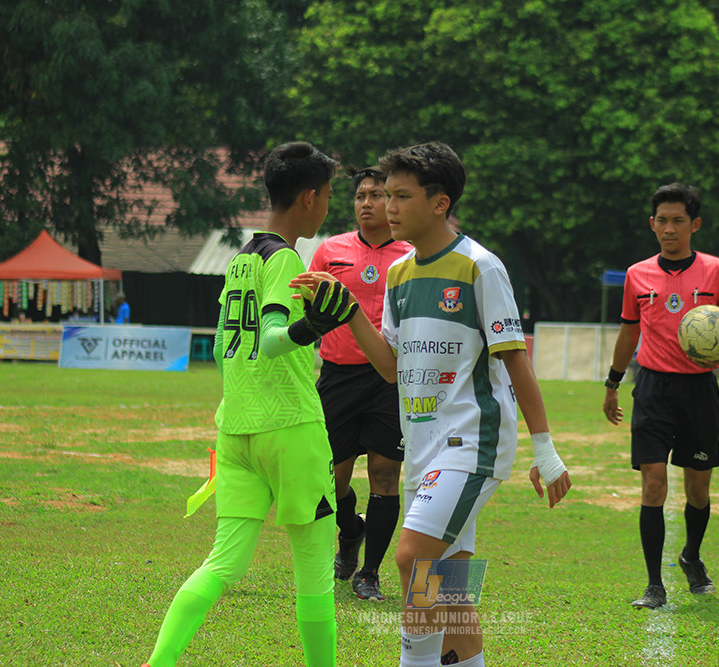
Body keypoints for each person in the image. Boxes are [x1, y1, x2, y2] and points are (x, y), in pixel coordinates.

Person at [293, 141, 572, 667]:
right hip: (423, 446)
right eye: (384, 196)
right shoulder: (400, 276)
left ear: (439, 203)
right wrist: (351, 311)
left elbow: (516, 362)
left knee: (410, 559)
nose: (388, 207)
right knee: (450, 589)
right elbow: (392, 369)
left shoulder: (480, 267)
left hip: (471, 443)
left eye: (401, 196)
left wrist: (546, 449)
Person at [140, 142, 355, 667]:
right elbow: (275, 335)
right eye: (327, 195)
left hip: (235, 430)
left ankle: (158, 662)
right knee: (312, 570)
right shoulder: (284, 258)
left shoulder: (241, 259)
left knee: (224, 563)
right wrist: (313, 326)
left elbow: (219, 346)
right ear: (308, 198)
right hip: (292, 429)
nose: (329, 206)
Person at [601, 183, 719, 609]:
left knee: (697, 489)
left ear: (694, 224)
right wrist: (612, 384)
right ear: (652, 224)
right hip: (652, 387)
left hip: (699, 389)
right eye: (662, 220)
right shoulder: (637, 274)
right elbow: (629, 332)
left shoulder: (717, 270)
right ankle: (653, 584)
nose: (669, 228)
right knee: (653, 484)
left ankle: (691, 556)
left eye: (678, 221)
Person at [308, 166, 412, 602]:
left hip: (391, 380)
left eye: (377, 194)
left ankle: (369, 573)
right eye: (360, 195)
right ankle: (350, 532)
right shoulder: (330, 250)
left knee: (385, 475)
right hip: (337, 377)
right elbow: (307, 307)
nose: (367, 202)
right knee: (330, 480)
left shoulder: (411, 256)